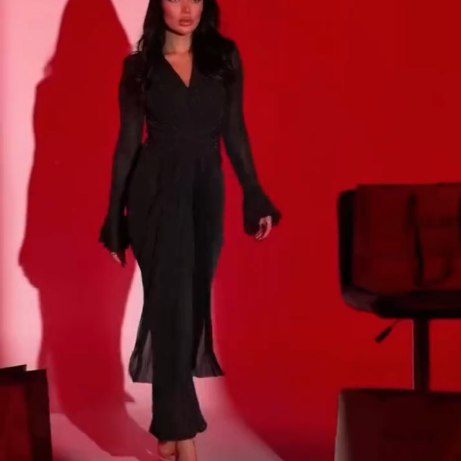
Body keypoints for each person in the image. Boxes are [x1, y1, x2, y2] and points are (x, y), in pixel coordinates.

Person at [99, 0, 281, 459]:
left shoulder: (224, 58)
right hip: (155, 192)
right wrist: (114, 217)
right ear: (157, 4)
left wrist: (253, 192)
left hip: (205, 193)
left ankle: (168, 426)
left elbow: (234, 129)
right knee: (170, 306)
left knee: (190, 304)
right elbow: (127, 144)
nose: (186, 8)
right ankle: (184, 439)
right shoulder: (138, 68)